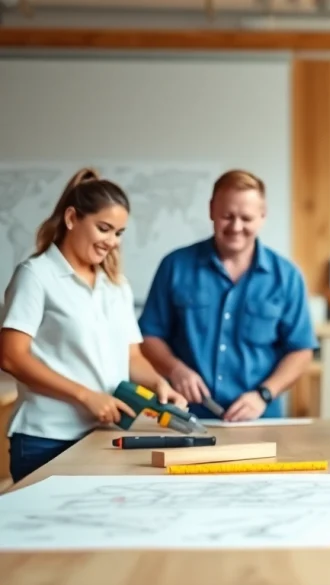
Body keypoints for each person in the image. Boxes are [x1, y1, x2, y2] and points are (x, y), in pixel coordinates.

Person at [0, 168, 187, 483]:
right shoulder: (35, 276)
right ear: (72, 218)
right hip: (46, 439)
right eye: (104, 229)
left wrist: (159, 384)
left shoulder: (116, 286)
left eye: (119, 232)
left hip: (105, 438)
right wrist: (86, 396)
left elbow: (132, 358)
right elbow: (10, 357)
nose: (112, 242)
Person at [138, 170, 318, 422]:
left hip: (261, 420)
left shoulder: (287, 276)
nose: (236, 227)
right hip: (186, 418)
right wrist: (175, 368)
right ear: (211, 210)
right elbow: (149, 336)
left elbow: (301, 350)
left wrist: (264, 394)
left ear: (263, 216)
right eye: (227, 216)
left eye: (246, 218)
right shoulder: (175, 266)